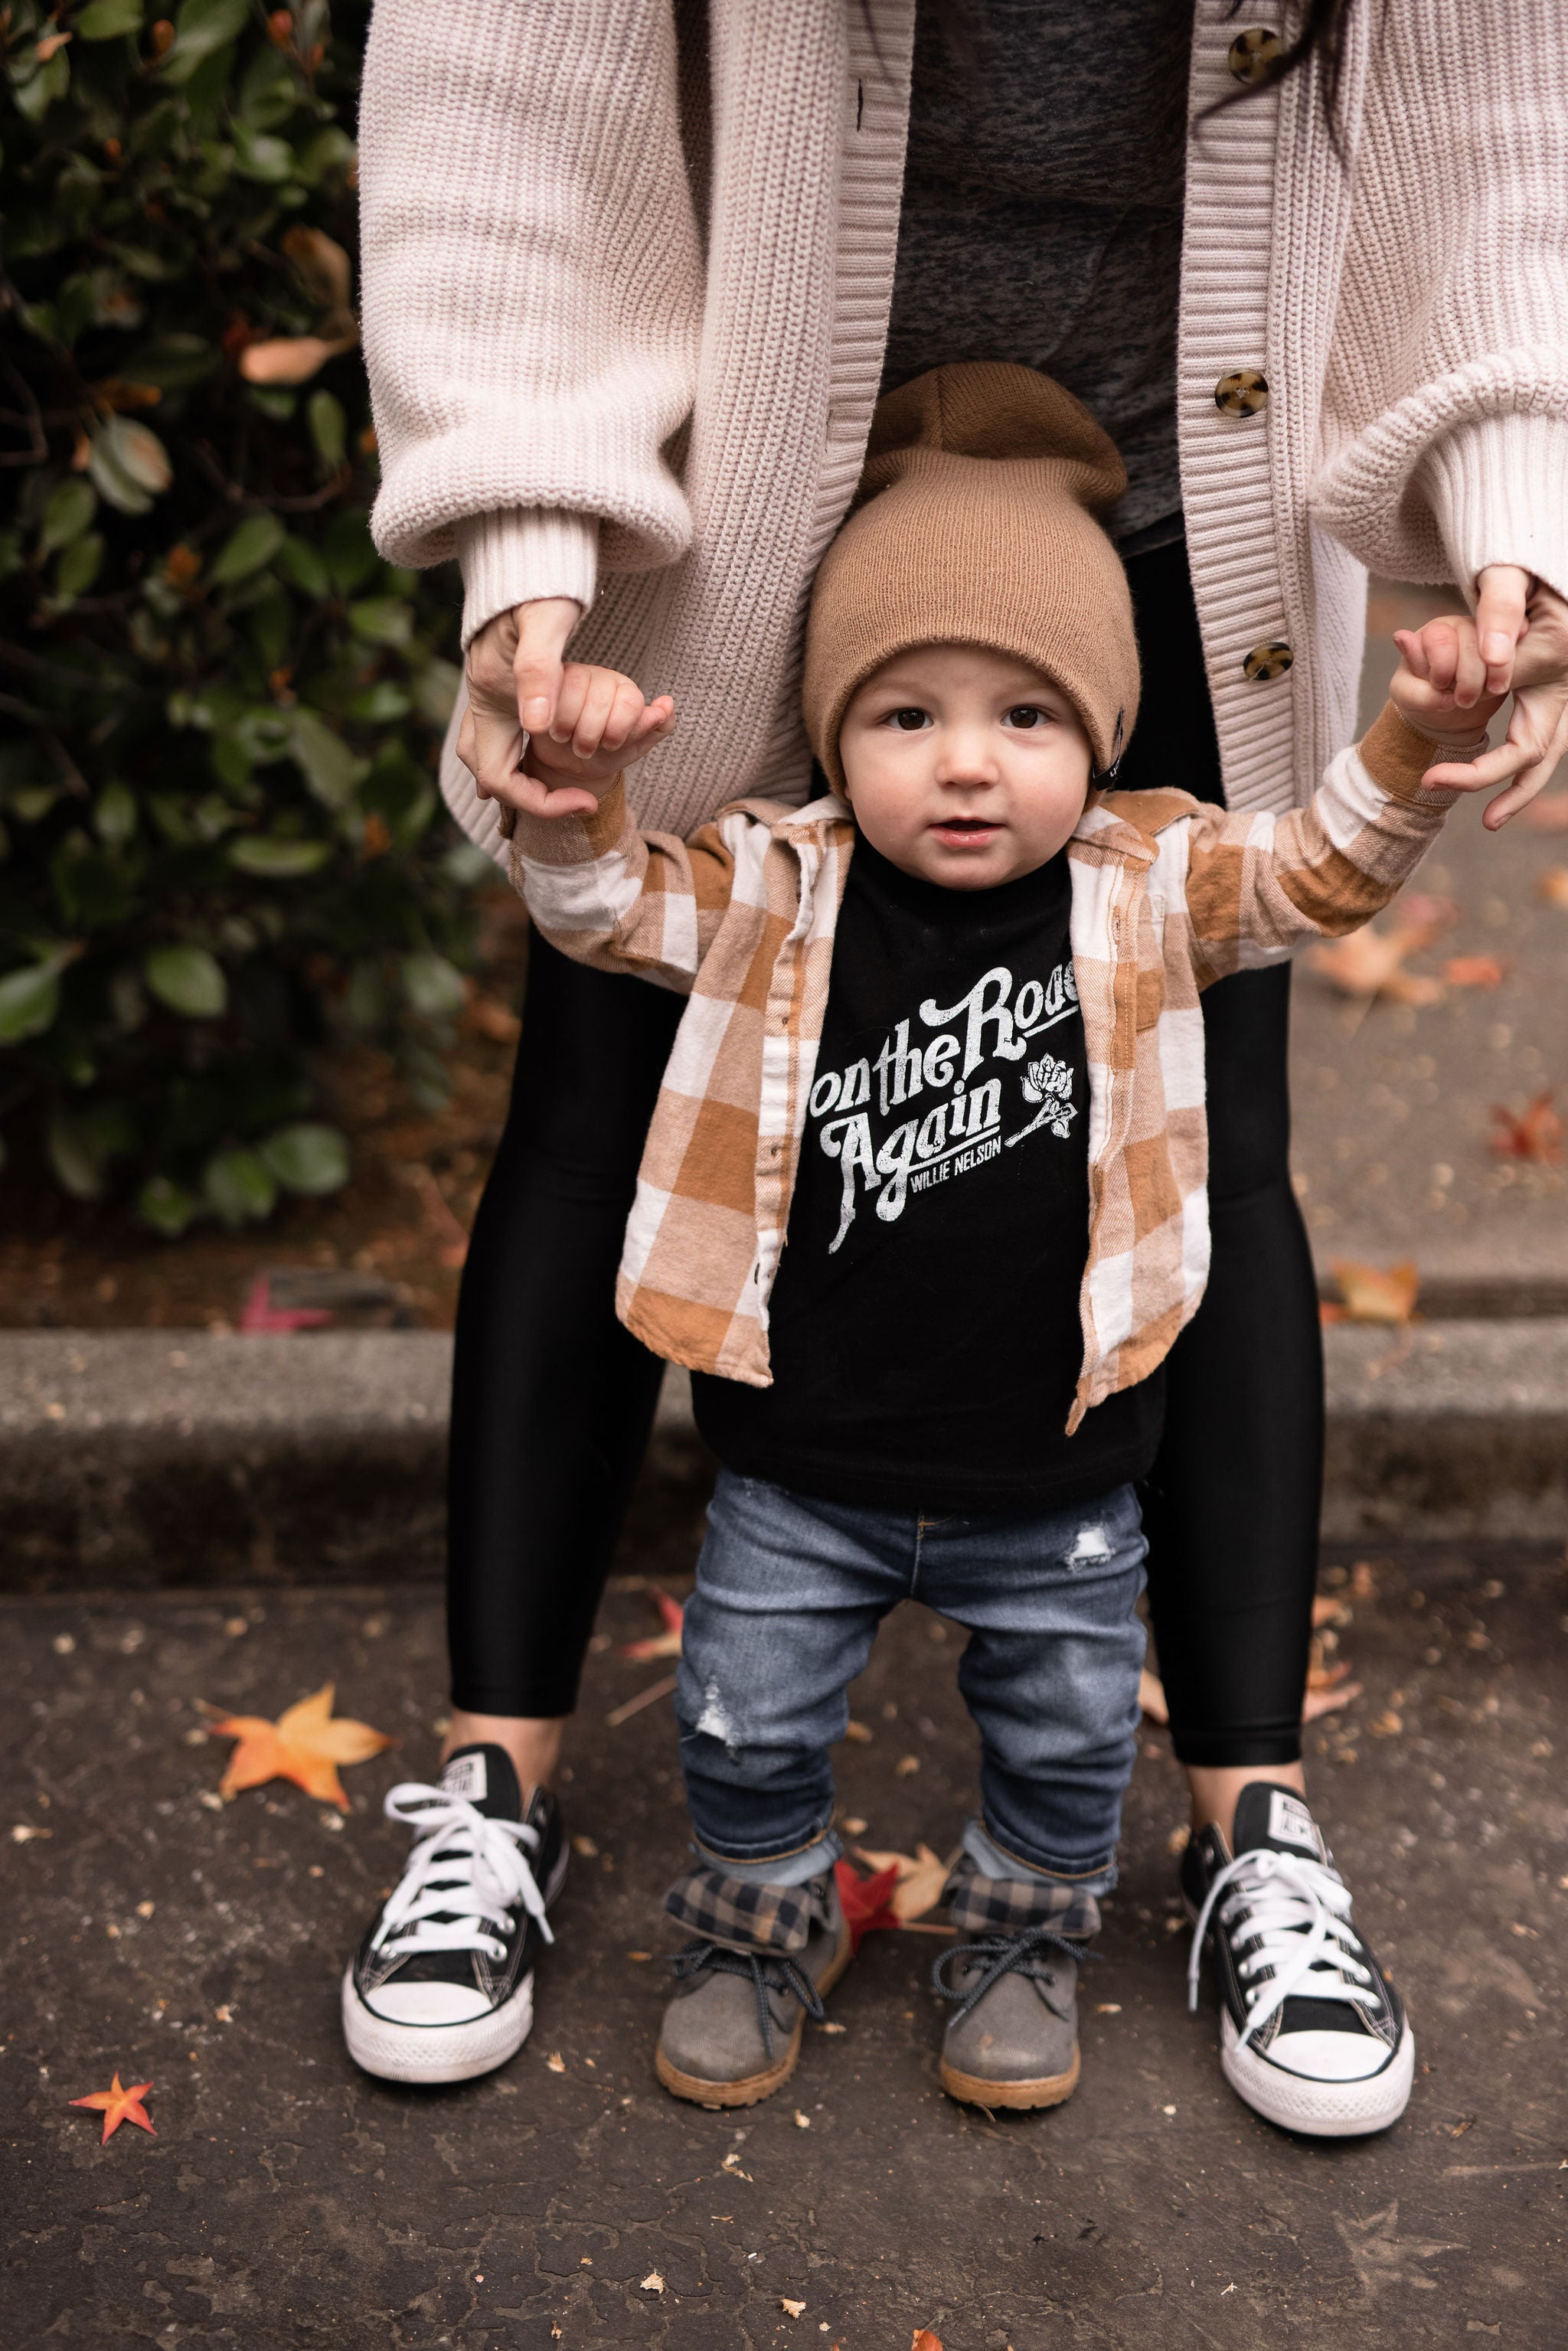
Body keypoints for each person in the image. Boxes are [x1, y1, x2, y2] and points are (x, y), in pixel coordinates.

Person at [351, 0, 1568, 2125]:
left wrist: (1509, 522)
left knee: (1225, 1139)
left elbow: (1498, 108)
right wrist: (529, 551)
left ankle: (1246, 1824)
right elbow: (513, 81)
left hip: (1192, 478)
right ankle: (495, 1787)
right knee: (596, 1104)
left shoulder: (1142, 850)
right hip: (728, 464)